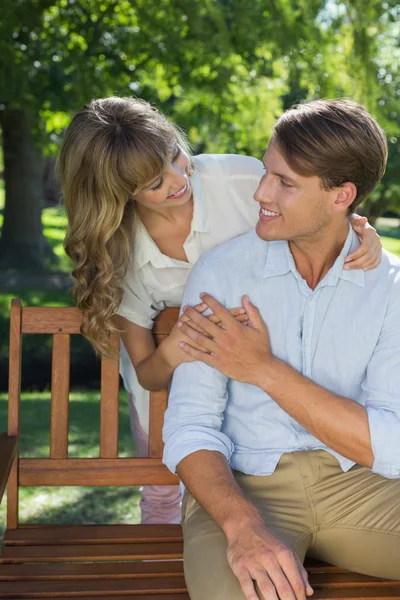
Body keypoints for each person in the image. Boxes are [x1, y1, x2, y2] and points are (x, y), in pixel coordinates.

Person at [58, 96, 381, 526]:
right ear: (119, 193)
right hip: (171, 395)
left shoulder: (240, 179)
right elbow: (149, 375)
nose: (177, 178)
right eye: (155, 182)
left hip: (265, 375)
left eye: (175, 155)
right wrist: (175, 347)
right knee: (161, 493)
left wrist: (361, 230)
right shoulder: (120, 249)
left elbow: (316, 211)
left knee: (264, 484)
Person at [162, 98, 400, 600]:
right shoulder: (224, 272)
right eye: (267, 171)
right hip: (242, 486)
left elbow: (390, 443)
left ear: (342, 196)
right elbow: (190, 425)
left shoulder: (389, 286)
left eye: (285, 182)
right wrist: (242, 526)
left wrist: (262, 369)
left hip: (361, 485)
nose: (261, 193)